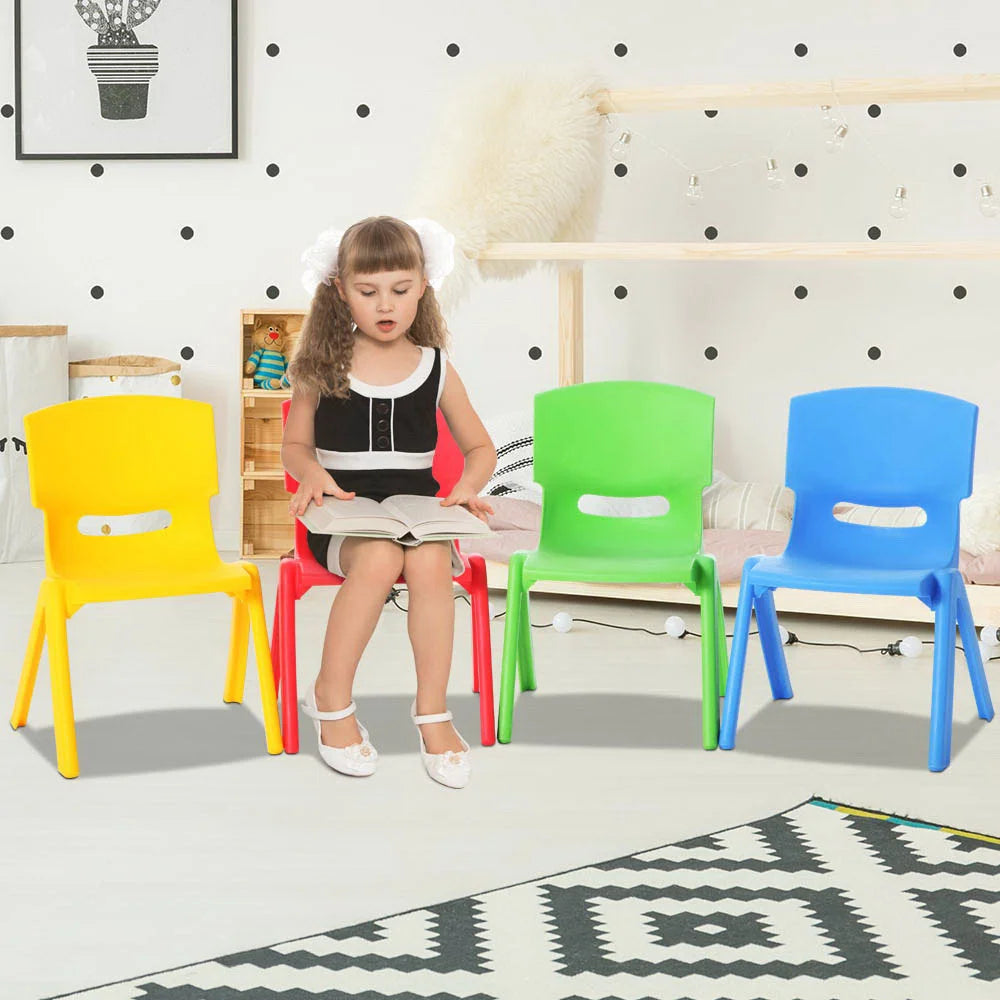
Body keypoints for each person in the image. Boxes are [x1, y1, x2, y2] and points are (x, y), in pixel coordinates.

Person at [282, 216, 497, 788]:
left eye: (400, 290)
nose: (385, 305)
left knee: (429, 562)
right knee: (378, 557)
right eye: (368, 291)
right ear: (340, 290)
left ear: (423, 285)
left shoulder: (435, 365)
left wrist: (468, 487)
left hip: (418, 512)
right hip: (341, 513)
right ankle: (330, 697)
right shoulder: (319, 366)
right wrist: (312, 474)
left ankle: (433, 712)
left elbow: (480, 448)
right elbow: (295, 446)